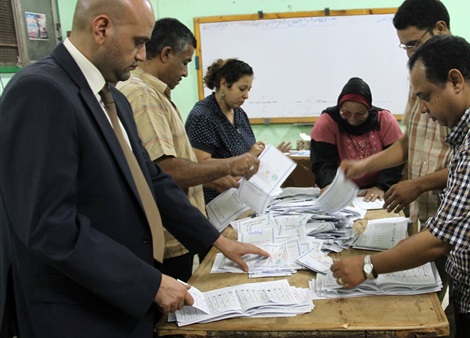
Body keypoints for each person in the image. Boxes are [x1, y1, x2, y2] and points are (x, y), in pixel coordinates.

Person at [0, 1, 268, 337]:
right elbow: (49, 225)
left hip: (121, 301)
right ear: (101, 29)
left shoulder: (115, 100)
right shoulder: (41, 90)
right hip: (76, 308)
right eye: (138, 42)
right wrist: (149, 283)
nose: (143, 55)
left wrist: (215, 240)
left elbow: (153, 181)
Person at [331, 35, 470, 338]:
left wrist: (368, 266)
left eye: (426, 96)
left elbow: (441, 239)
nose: (423, 109)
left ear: (455, 81)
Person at [340, 0, 470, 300]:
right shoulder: (422, 70)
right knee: (432, 294)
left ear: (440, 28)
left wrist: (418, 184)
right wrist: (365, 165)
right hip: (427, 212)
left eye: (413, 44)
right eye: (404, 47)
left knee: (440, 295)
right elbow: (412, 139)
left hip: (457, 215)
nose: (410, 54)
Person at [117, 18, 261, 281]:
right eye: (184, 62)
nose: (186, 72)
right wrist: (229, 165)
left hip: (183, 229)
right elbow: (166, 171)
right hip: (168, 233)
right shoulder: (144, 96)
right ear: (165, 54)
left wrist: (215, 178)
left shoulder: (155, 94)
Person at [185, 58, 291, 203]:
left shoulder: (239, 113)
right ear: (224, 84)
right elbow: (198, 167)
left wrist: (269, 157)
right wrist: (248, 156)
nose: (246, 95)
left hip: (243, 199)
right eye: (242, 89)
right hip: (216, 203)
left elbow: (248, 159)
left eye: (249, 89)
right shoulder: (202, 116)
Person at [310, 77, 404, 201]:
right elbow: (322, 163)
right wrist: (329, 186)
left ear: (369, 109)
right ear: (339, 108)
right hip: (339, 189)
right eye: (346, 113)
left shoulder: (384, 120)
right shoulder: (328, 122)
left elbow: (396, 160)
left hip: (375, 190)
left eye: (360, 114)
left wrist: (381, 187)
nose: (352, 120)